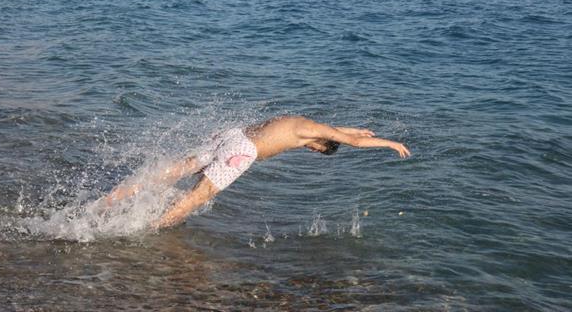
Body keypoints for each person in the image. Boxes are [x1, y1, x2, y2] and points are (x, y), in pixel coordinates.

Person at [100, 116, 411, 228]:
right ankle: (152, 227)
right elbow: (351, 142)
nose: (311, 150)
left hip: (231, 135)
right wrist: (389, 143)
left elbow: (336, 131)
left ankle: (113, 198)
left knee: (177, 170)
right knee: (198, 197)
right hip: (241, 151)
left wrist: (358, 129)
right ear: (320, 145)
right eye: (317, 150)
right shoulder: (313, 134)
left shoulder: (304, 124)